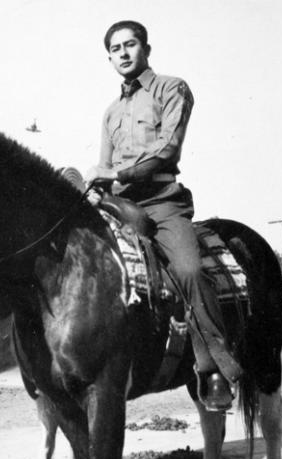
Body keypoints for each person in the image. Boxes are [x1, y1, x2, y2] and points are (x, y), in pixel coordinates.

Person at [85, 20, 242, 411]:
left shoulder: (171, 88)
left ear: (146, 49)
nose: (122, 53)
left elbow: (168, 149)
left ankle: (214, 369)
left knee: (188, 269)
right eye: (115, 48)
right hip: (118, 204)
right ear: (109, 58)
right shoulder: (110, 112)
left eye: (130, 44)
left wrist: (116, 174)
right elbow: (103, 165)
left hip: (161, 202)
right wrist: (93, 188)